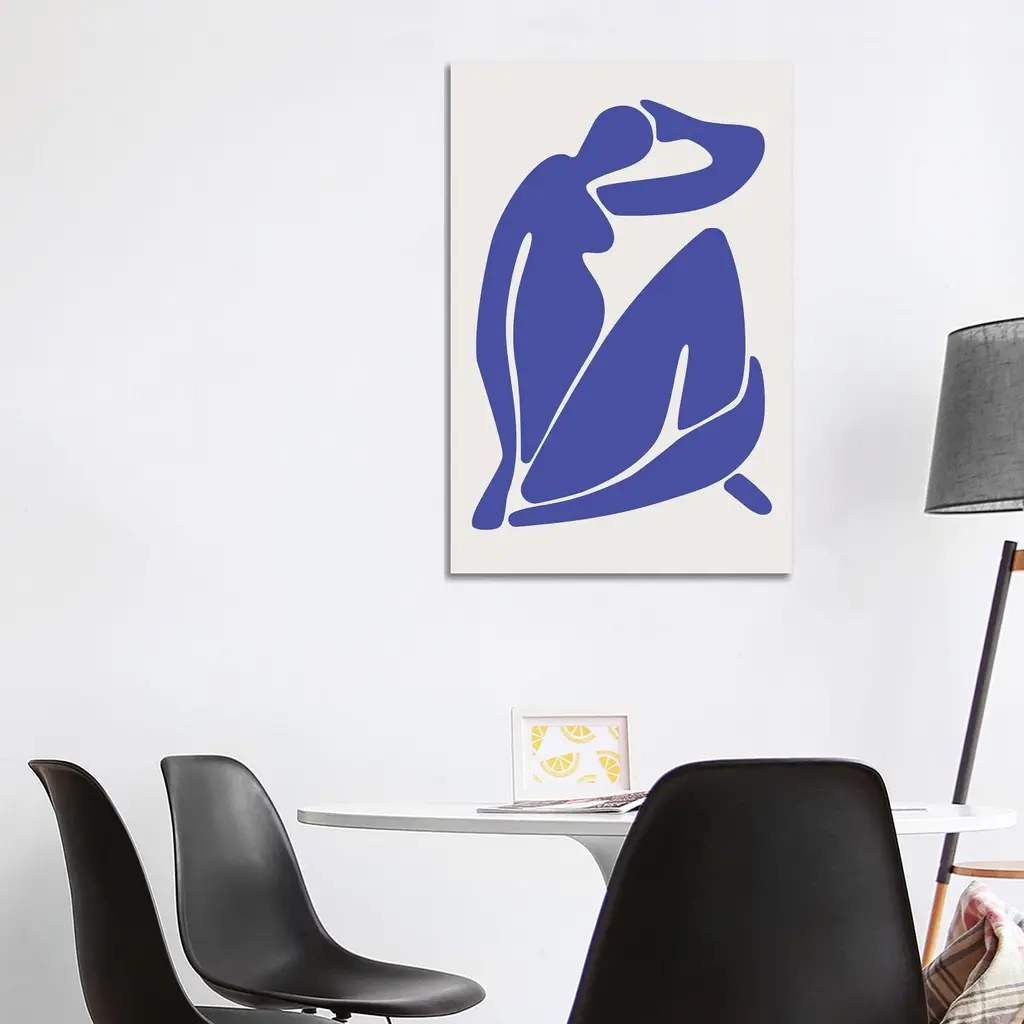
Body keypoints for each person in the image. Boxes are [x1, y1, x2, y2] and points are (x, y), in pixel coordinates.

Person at [472, 99, 770, 530]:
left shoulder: (595, 192)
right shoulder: (556, 183)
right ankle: (706, 439)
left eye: (634, 152)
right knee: (706, 261)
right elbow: (491, 332)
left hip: (574, 439)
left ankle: (705, 439)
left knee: (707, 257)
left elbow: (731, 167)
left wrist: (686, 129)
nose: (626, 162)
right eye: (626, 148)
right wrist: (508, 458)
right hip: (563, 451)